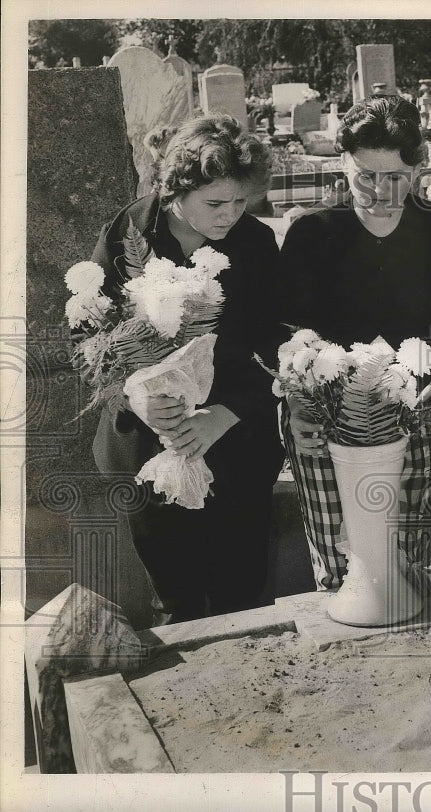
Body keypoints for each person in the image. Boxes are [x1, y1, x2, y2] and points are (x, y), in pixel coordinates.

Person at [277, 94, 431, 590]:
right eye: (364, 174)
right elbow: (288, 336)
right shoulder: (312, 234)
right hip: (325, 412)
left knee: (407, 551)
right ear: (343, 162)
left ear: (418, 169)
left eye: (395, 177)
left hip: (416, 407)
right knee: (340, 556)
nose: (378, 191)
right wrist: (300, 407)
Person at [90, 114, 285, 624]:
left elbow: (276, 340)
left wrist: (226, 413)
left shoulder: (255, 243)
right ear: (176, 188)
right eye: (215, 203)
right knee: (176, 599)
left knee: (240, 595)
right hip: (149, 442)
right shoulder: (126, 233)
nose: (230, 216)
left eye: (242, 202)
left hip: (235, 441)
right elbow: (91, 337)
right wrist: (135, 395)